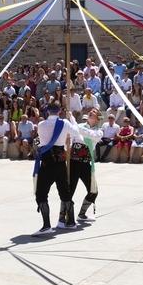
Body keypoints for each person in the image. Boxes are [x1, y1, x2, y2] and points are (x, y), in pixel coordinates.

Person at [31, 101, 86, 236]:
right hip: (61, 163)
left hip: (47, 163)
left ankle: (46, 225)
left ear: (48, 110)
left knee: (41, 194)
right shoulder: (65, 123)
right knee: (65, 193)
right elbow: (76, 131)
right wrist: (71, 117)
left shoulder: (42, 125)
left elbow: (42, 139)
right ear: (60, 110)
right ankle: (71, 222)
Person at [64, 109, 103, 223]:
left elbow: (87, 133)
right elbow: (72, 140)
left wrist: (72, 120)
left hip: (86, 164)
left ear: (98, 118)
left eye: (94, 112)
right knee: (69, 191)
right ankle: (65, 218)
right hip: (74, 163)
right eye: (91, 111)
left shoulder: (98, 132)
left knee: (93, 191)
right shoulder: (78, 126)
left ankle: (82, 214)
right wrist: (68, 143)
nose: (91, 112)